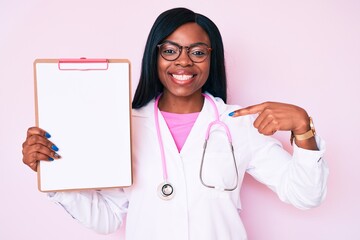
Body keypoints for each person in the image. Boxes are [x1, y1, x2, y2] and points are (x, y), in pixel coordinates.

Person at [22, 7, 328, 240]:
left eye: (197, 52)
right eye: (170, 50)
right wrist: (53, 175)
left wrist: (304, 129)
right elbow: (108, 217)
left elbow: (305, 194)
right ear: (154, 56)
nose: (183, 62)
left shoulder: (238, 124)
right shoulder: (124, 125)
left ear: (212, 58)